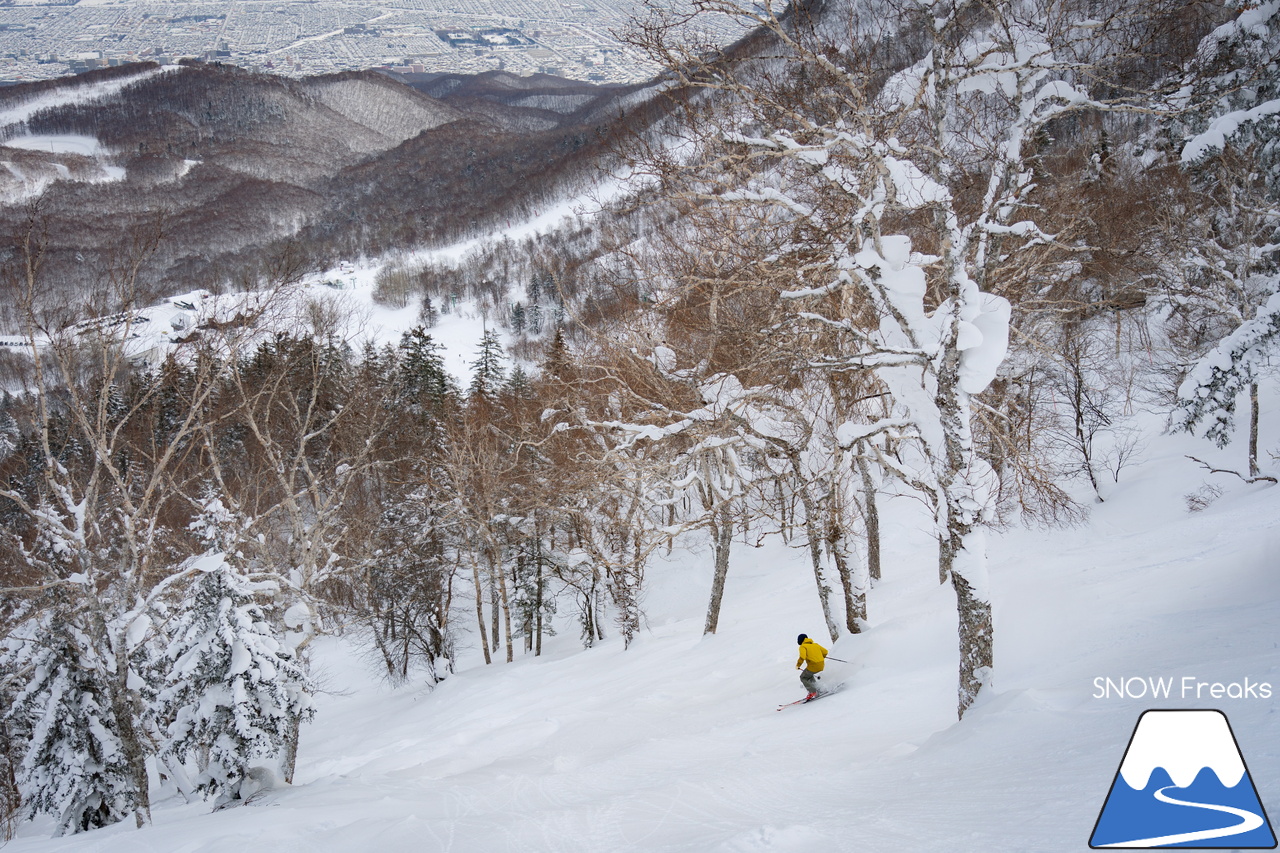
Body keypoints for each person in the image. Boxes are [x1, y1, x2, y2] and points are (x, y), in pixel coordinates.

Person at [795, 633, 829, 699]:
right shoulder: (815, 645)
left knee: (803, 677)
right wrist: (822, 656)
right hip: (821, 665)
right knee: (809, 676)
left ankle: (812, 692)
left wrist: (798, 665)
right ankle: (818, 690)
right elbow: (825, 652)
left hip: (813, 666)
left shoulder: (803, 646)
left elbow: (802, 657)